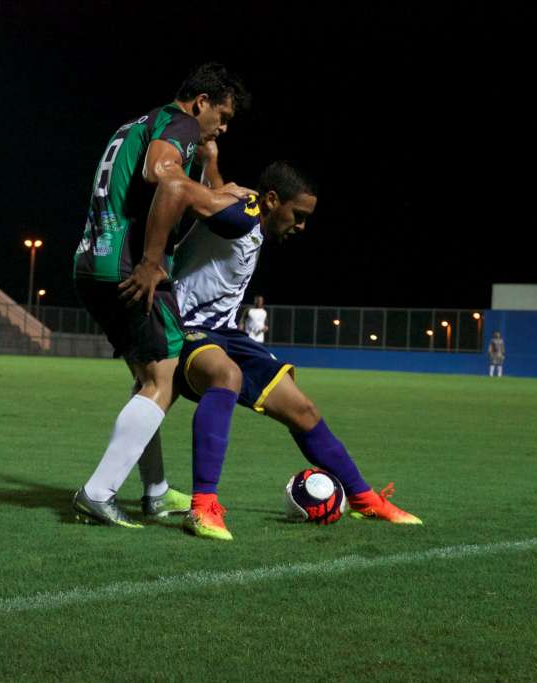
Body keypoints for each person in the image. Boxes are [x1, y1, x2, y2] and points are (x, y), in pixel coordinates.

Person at [153, 161, 422, 540]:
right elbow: (180, 190)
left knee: (303, 410)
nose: (302, 225)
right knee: (226, 376)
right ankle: (202, 508)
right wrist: (151, 262)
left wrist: (212, 163)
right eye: (298, 215)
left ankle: (364, 499)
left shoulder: (248, 217)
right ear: (272, 200)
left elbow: (215, 196)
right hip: (187, 327)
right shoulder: (241, 214)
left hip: (226, 331)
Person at [70, 63, 252, 527]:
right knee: (163, 381)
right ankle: (98, 492)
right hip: (131, 268)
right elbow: (164, 178)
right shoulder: (181, 123)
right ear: (201, 102)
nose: (223, 128)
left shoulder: (140, 123)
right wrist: (153, 261)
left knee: (148, 378)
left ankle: (154, 491)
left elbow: (166, 181)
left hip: (93, 262)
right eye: (223, 116)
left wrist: (210, 170)